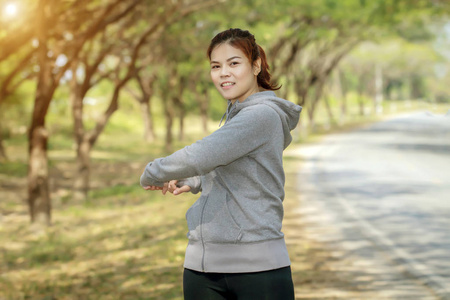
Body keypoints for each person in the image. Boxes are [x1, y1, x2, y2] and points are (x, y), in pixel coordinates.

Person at [140, 28, 302, 300]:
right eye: (216, 66)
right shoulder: (236, 114)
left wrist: (151, 172)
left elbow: (201, 155)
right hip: (202, 268)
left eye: (234, 63)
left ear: (255, 65)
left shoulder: (261, 115)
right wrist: (193, 180)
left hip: (257, 269)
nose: (223, 73)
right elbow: (238, 168)